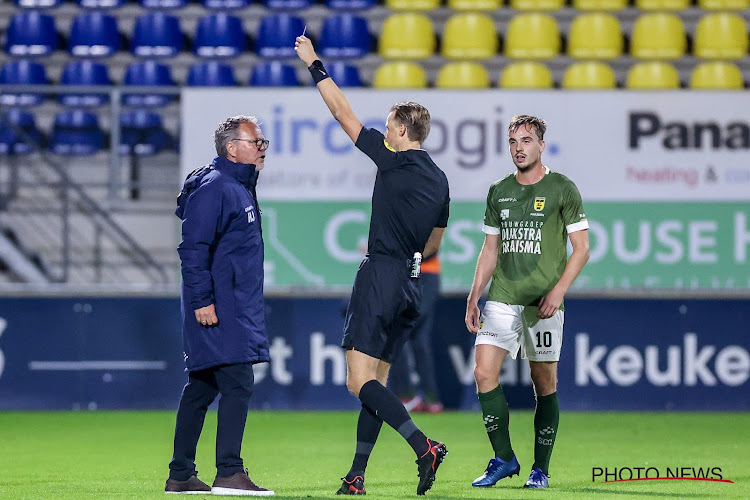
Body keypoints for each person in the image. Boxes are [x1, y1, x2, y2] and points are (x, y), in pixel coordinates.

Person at [295, 36, 451, 496]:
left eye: (388, 127)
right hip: (411, 282)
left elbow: (343, 114)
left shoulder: (393, 160)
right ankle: (356, 475)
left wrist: (316, 65)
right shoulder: (439, 179)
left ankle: (424, 446)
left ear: (402, 130)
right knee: (379, 384)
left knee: (357, 382)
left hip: (381, 274)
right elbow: (436, 241)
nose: (384, 133)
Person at [465, 115, 589, 490]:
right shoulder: (498, 191)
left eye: (526, 141)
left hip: (543, 303)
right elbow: (490, 250)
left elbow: (581, 249)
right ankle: (503, 457)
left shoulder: (562, 188)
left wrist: (558, 292)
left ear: (541, 146)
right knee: (484, 373)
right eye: (513, 141)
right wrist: (474, 296)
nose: (519, 148)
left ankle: (540, 468)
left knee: (543, 382)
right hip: (502, 298)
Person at [166, 116, 274, 496]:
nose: (262, 147)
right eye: (255, 141)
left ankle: (180, 475)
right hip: (218, 304)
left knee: (202, 386)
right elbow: (193, 249)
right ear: (232, 148)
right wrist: (202, 300)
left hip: (230, 301)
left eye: (262, 140)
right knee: (238, 381)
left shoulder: (236, 185)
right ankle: (229, 472)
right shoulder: (216, 187)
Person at [389, 254, 444, 414]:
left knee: (399, 332)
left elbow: (430, 249)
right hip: (407, 276)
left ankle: (408, 396)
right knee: (420, 341)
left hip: (425, 275)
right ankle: (430, 398)